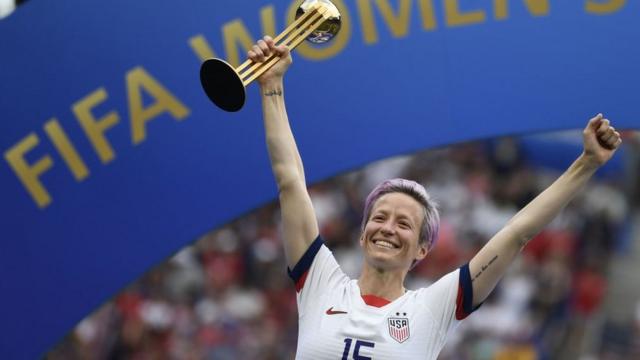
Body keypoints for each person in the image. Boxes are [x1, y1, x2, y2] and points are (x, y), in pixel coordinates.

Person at [248, 35, 623, 359]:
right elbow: (291, 181)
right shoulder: (320, 283)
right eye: (379, 218)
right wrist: (271, 86)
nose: (387, 228)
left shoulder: (432, 307)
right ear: (362, 234)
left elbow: (517, 233)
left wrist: (586, 164)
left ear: (423, 249)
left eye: (404, 223)